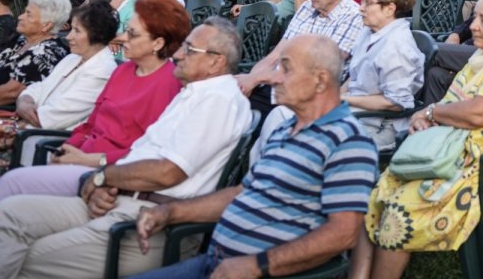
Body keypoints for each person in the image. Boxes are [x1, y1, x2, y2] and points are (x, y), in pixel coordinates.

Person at [0, 17, 253, 279]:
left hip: (150, 224)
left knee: (23, 257)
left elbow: (167, 172)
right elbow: (139, 153)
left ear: (216, 62)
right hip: (121, 201)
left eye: (190, 49)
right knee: (11, 214)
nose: (178, 54)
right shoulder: (193, 94)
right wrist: (106, 185)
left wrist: (103, 176)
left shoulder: (217, 100)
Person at [128, 36, 376, 279]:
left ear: (320, 80)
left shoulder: (348, 140)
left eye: (286, 69)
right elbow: (242, 193)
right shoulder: (285, 128)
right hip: (217, 264)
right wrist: (170, 212)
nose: (274, 78)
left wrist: (257, 266)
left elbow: (343, 233)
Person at [356, 0, 483, 277]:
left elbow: (479, 113)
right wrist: (427, 118)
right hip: (457, 153)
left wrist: (431, 113)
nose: (474, 26)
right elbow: (452, 103)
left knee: (399, 209)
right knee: (377, 192)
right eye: (475, 18)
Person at [0, 0, 187, 218]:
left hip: (106, 172)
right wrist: (66, 150)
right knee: (11, 204)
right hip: (78, 156)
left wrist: (88, 159)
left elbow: (144, 150)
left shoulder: (167, 84)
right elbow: (91, 123)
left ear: (158, 43)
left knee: (12, 186)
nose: (122, 38)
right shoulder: (124, 70)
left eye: (132, 33)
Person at [0, 1, 118, 180]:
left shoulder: (102, 71)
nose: (69, 36)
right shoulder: (72, 58)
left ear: (97, 35)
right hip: (22, 128)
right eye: (71, 29)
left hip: (44, 142)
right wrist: (25, 101)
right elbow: (38, 88)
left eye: (77, 31)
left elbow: (53, 118)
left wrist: (20, 113)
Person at [236, 0, 363, 110]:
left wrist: (258, 78)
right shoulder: (307, 7)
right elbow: (276, 54)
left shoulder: (354, 17)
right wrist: (250, 80)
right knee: (227, 96)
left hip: (304, 98)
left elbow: (314, 70)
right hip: (273, 85)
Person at [342, 0, 424, 150]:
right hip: (353, 111)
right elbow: (354, 76)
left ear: (389, 9)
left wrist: (344, 99)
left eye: (368, 2)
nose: (361, 8)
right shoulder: (369, 31)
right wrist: (334, 97)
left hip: (377, 125)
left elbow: (395, 103)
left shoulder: (398, 46)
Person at [0, 0, 71, 108]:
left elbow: (10, 93)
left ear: (46, 25)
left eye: (28, 14)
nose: (20, 17)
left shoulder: (46, 53)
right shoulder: (23, 40)